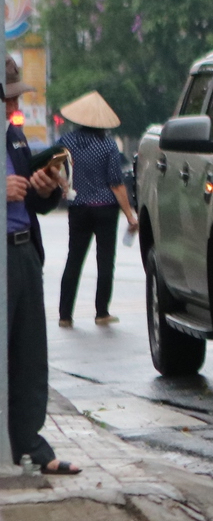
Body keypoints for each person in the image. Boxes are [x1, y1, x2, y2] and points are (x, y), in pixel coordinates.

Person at [5, 59, 75, 475]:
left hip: (22, 249)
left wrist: (44, 188)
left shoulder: (14, 135)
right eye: (7, 95)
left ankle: (30, 443)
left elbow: (29, 199)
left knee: (29, 353)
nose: (13, 103)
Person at [53, 92, 137, 328]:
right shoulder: (108, 145)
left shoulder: (66, 141)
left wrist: (64, 184)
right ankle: (101, 312)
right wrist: (130, 214)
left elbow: (50, 164)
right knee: (105, 261)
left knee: (74, 259)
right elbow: (116, 183)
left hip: (78, 207)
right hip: (105, 209)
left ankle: (65, 315)